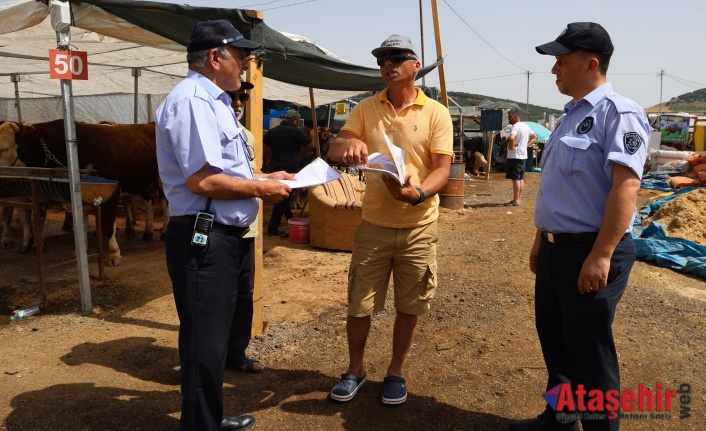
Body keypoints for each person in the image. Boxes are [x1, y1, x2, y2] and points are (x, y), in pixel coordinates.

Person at [509, 22, 649, 431]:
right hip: (557, 250)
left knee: (590, 354)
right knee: (555, 342)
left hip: (592, 250)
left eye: (562, 60)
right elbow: (558, 187)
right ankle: (561, 417)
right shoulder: (570, 116)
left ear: (590, 64)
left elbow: (626, 188)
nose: (554, 69)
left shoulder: (618, 114)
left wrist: (601, 255)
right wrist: (542, 240)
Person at [155, 19, 293, 431]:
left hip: (223, 237)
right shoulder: (193, 100)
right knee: (203, 342)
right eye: (243, 56)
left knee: (212, 340)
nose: (247, 65)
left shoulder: (214, 101)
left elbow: (225, 169)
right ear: (217, 58)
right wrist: (260, 188)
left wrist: (268, 179)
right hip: (205, 238)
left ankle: (207, 417)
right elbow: (203, 180)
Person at [326, 34, 453, 405]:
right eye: (383, 59)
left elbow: (443, 169)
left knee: (410, 305)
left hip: (418, 225)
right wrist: (347, 145)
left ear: (416, 66)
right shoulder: (365, 108)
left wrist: (420, 194)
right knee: (359, 303)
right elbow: (336, 147)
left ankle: (395, 371)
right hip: (374, 225)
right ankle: (355, 370)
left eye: (398, 57)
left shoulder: (436, 113)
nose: (389, 64)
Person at [224, 81, 265, 374]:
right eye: (232, 96)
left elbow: (250, 175)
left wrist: (272, 178)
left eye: (243, 96)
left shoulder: (248, 135)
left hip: (246, 230)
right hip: (218, 230)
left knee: (243, 293)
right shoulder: (209, 132)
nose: (239, 102)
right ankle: (210, 358)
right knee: (216, 297)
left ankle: (236, 353)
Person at [263, 109, 314, 236]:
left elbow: (264, 143)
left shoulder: (273, 131)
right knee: (284, 199)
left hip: (274, 168)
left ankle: (290, 219)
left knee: (284, 196)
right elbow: (312, 146)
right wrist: (312, 134)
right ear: (295, 120)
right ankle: (272, 228)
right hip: (290, 169)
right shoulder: (296, 131)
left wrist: (270, 153)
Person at [505, 109, 536, 206]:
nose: (508, 119)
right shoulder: (525, 126)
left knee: (515, 179)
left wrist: (510, 147)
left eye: (510, 116)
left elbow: (511, 138)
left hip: (515, 155)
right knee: (521, 178)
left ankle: (515, 200)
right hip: (523, 155)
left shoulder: (516, 126)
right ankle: (519, 199)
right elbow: (534, 137)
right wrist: (526, 145)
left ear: (516, 116)